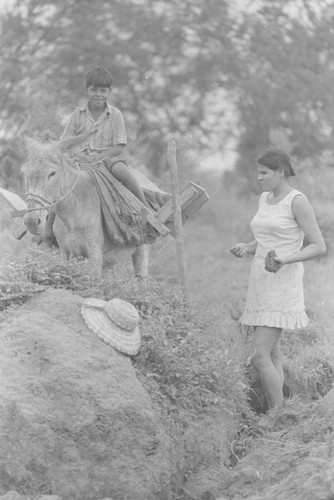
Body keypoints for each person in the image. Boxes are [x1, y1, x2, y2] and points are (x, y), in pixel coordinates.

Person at [231, 149, 326, 410]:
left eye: (264, 172)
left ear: (281, 172)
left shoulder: (297, 201)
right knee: (273, 354)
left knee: (258, 355)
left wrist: (286, 260)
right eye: (258, 172)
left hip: (282, 282)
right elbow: (265, 238)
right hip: (260, 281)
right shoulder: (265, 198)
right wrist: (246, 247)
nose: (259, 177)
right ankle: (280, 412)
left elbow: (319, 246)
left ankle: (278, 415)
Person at [60, 66, 149, 207]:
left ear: (109, 92)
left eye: (103, 90)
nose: (98, 94)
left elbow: (119, 147)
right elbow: (65, 143)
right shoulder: (77, 115)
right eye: (94, 90)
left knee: (122, 171)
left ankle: (145, 206)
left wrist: (96, 157)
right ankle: (50, 218)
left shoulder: (115, 114)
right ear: (86, 91)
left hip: (107, 159)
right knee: (56, 178)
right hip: (80, 160)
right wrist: (76, 156)